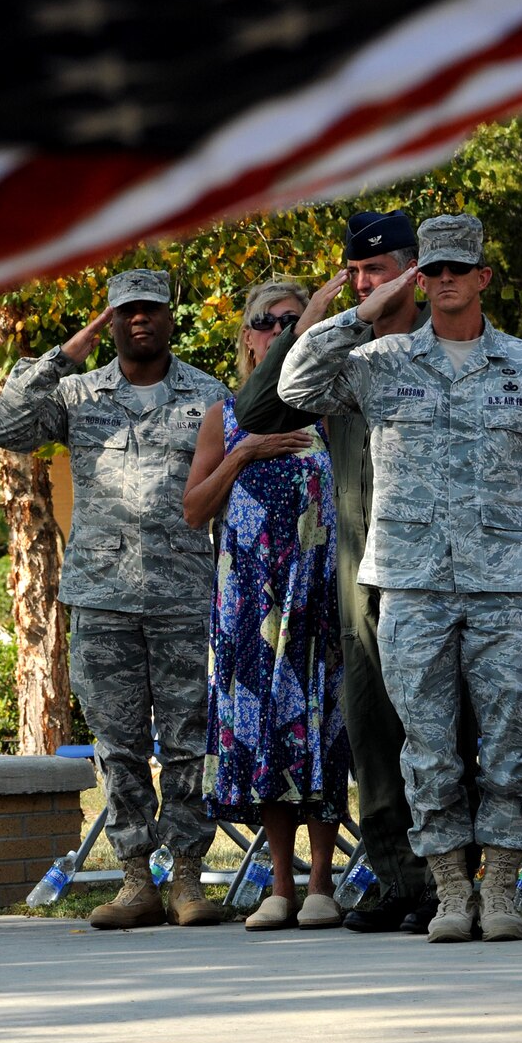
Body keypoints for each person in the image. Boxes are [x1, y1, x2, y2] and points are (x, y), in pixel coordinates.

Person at [279, 215, 522, 943]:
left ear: (483, 277)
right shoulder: (382, 362)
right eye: (434, 271)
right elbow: (295, 384)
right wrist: (360, 309)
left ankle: (503, 891)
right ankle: (451, 890)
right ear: (420, 278)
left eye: (459, 270)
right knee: (427, 746)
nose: (446, 281)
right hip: (413, 588)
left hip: (505, 587)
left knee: (509, 744)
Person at [234, 210, 477, 935]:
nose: (366, 283)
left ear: (415, 271)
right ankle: (402, 882)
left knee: (448, 730)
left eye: (378, 270)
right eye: (357, 273)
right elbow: (256, 407)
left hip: (448, 572)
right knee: (373, 731)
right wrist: (317, 313)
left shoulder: (452, 348)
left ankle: (456, 884)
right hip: (361, 570)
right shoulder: (343, 356)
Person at [0, 267, 229, 929]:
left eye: (151, 310)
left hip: (183, 593)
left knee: (187, 742)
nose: (139, 321)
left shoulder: (207, 395)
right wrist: (69, 349)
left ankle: (186, 879)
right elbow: (4, 428)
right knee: (118, 747)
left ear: (172, 317)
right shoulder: (77, 393)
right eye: (125, 312)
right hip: (103, 596)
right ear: (110, 322)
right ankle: (133, 880)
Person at [184, 278, 352, 931]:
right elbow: (195, 508)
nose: (281, 330)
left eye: (294, 318)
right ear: (248, 338)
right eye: (267, 321)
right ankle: (278, 887)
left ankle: (321, 885)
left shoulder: (330, 411)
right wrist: (246, 452)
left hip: (319, 596)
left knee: (321, 733)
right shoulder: (224, 417)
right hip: (250, 601)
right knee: (268, 735)